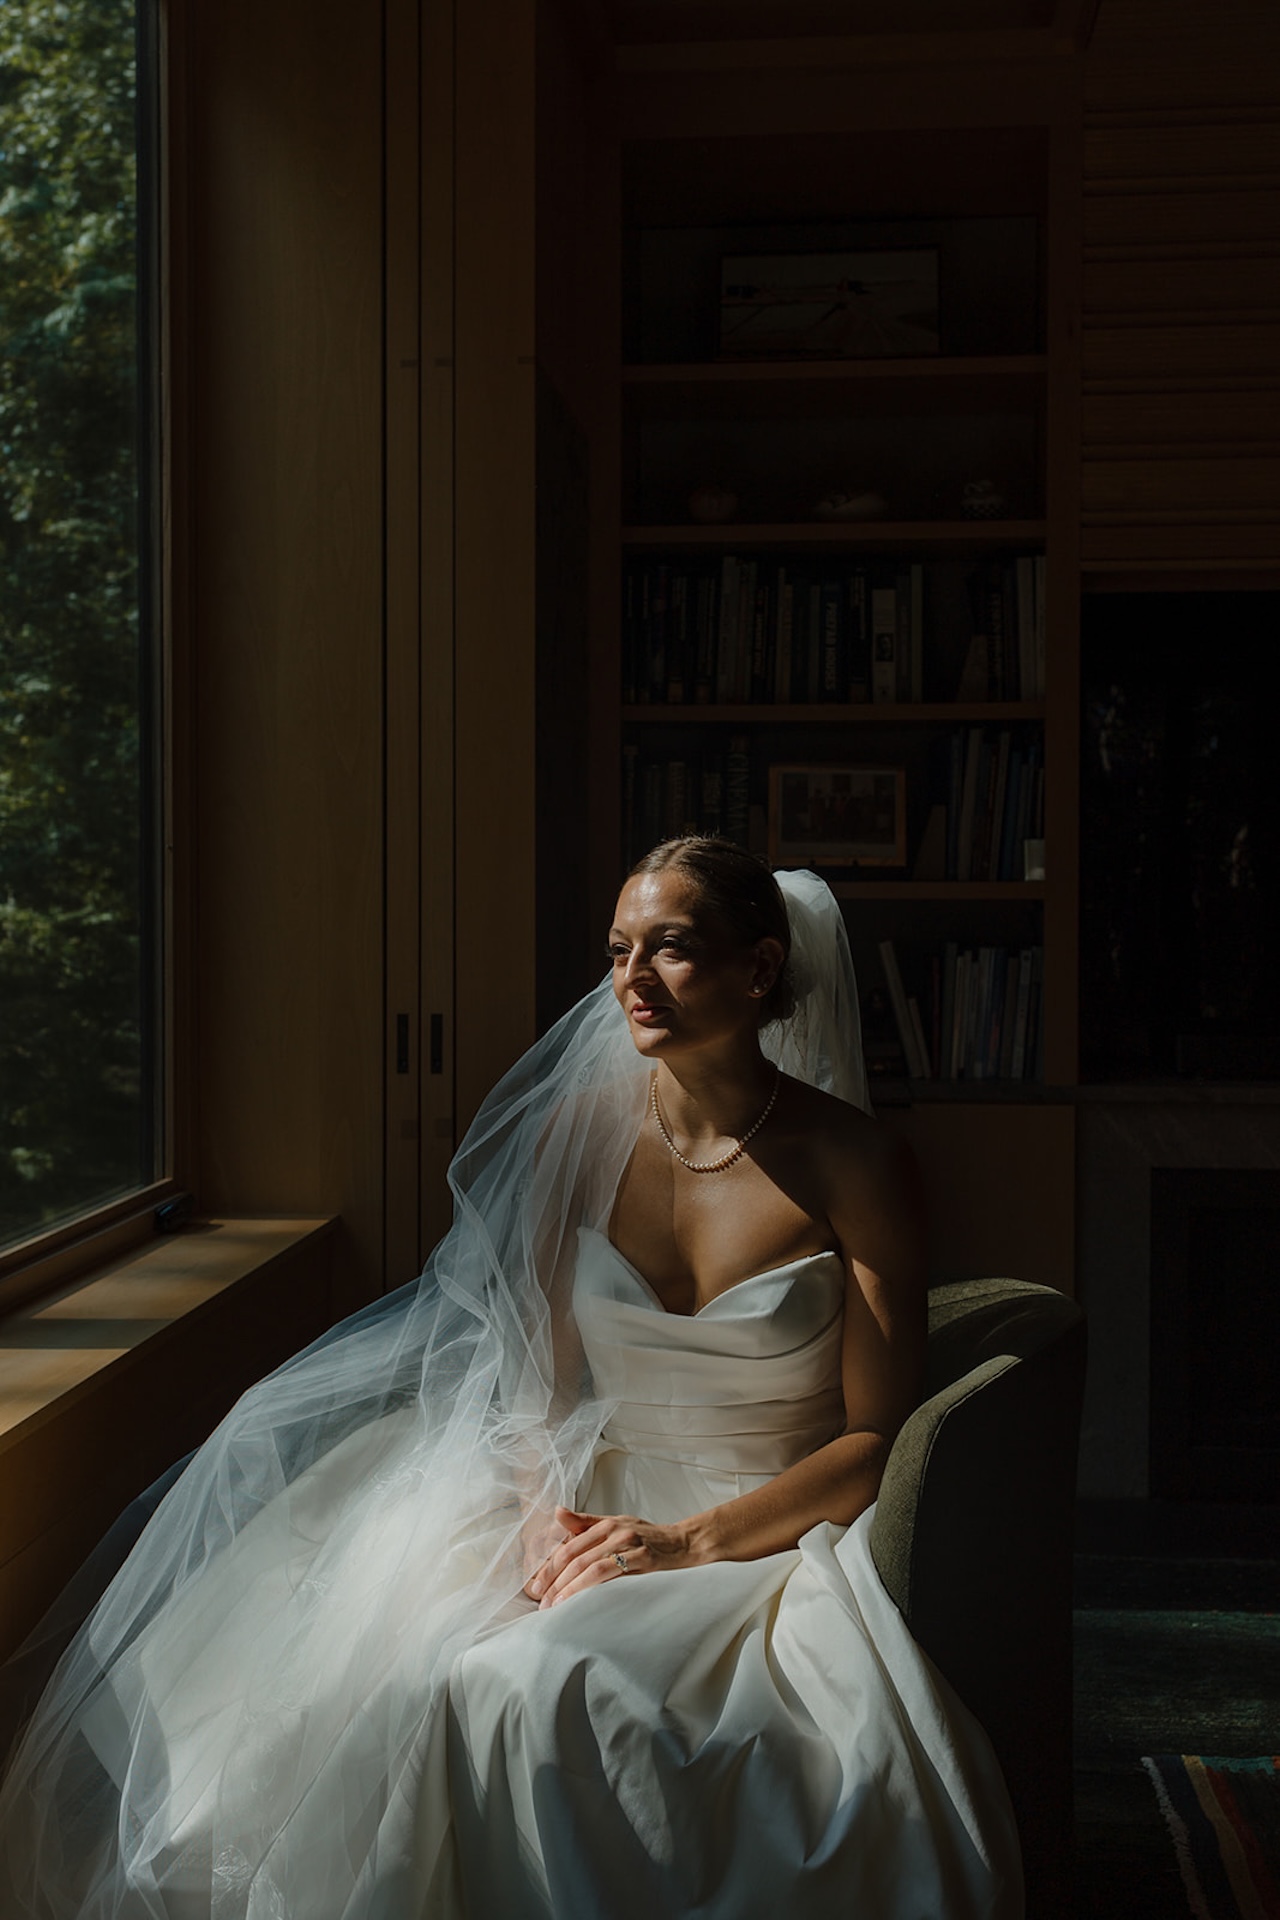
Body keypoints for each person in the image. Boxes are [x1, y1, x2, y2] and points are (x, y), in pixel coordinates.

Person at [0, 841, 1022, 1919]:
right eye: (619, 950)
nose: (631, 978)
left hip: (760, 1524)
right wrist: (538, 1523)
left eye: (671, 949)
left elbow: (873, 1437)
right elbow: (536, 1390)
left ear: (759, 969)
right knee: (402, 1686)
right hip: (584, 1492)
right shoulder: (577, 1138)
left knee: (543, 1688)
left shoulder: (854, 1161)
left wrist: (685, 1543)